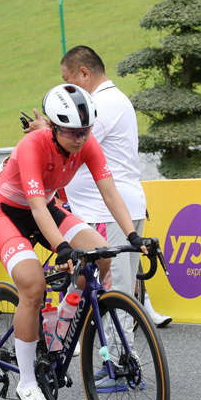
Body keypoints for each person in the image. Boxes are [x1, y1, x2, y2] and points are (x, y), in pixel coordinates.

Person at [0, 84, 148, 400]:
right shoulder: (33, 144)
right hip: (6, 211)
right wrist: (61, 247)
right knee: (33, 285)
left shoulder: (86, 145)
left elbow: (110, 194)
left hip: (46, 207)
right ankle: (27, 380)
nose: (79, 139)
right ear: (55, 127)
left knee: (102, 253)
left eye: (85, 131)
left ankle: (61, 322)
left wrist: (133, 237)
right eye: (72, 133)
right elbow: (34, 206)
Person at [27, 45, 172, 327]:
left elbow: (75, 143)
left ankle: (115, 364)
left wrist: (45, 132)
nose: (68, 91)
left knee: (114, 294)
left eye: (67, 81)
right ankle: (67, 337)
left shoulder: (103, 104)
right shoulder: (110, 100)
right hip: (111, 209)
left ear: (84, 73)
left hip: (105, 212)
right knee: (109, 287)